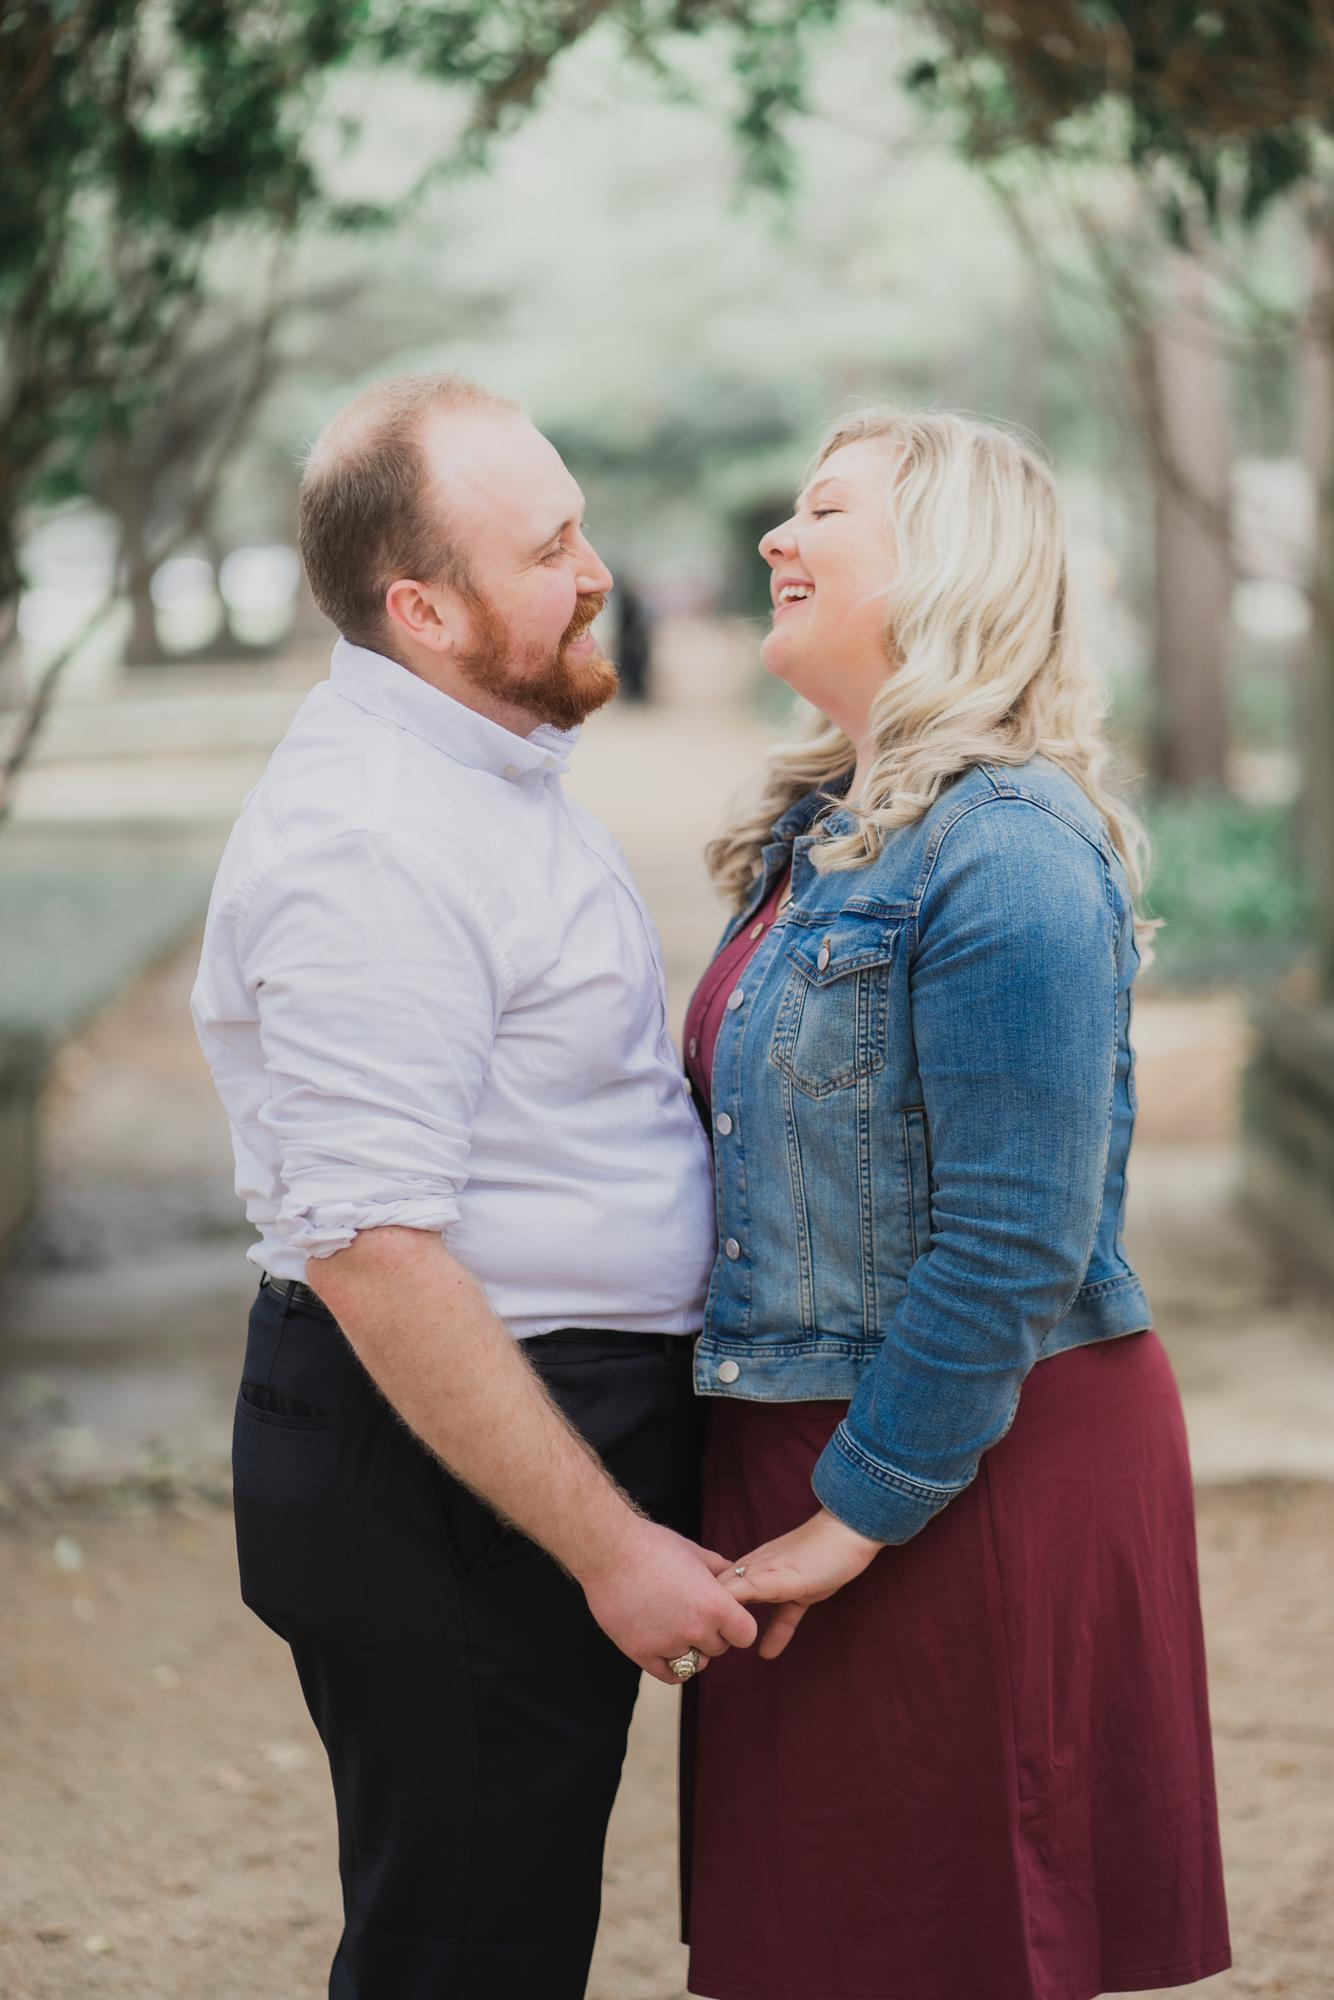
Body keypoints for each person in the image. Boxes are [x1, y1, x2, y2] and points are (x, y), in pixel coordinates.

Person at [190, 371, 756, 2000]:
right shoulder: (370, 841)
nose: (596, 573)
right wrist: (610, 1547)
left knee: (496, 1930)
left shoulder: (481, 770)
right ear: (422, 610)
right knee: (465, 1953)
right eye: (547, 549)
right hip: (452, 1465)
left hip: (500, 1444)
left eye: (580, 526)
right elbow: (373, 1248)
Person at [679, 410, 1231, 2000]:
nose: (778, 538)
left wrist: (855, 1513)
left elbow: (1009, 1240)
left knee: (953, 1944)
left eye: (823, 511)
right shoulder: (819, 838)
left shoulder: (1007, 850)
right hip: (817, 1434)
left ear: (944, 565)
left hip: (964, 1458)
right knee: (826, 1945)